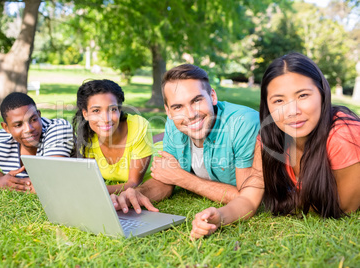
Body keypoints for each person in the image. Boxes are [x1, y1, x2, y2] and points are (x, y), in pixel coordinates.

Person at [190, 52, 360, 239]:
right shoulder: (269, 137)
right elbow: (249, 197)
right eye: (279, 100)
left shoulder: (344, 134)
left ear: (322, 93)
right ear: (267, 106)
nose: (292, 111)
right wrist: (220, 216)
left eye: (302, 95)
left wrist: (291, 201)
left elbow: (344, 207)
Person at [111, 64, 260, 214]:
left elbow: (247, 197)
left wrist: (183, 179)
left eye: (196, 101)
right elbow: (166, 179)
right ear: (168, 111)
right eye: (178, 107)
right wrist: (138, 193)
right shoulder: (174, 123)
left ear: (212, 96)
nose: (189, 114)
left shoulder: (243, 123)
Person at [0, 92, 74, 192]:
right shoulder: (2, 141)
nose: (29, 129)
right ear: (6, 128)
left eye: (33, 120)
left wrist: (10, 181)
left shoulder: (58, 129)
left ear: (39, 115)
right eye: (18, 125)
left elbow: (53, 183)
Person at [72, 79, 154, 194]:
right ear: (85, 114)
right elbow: (91, 179)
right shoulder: (87, 135)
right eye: (96, 111)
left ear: (119, 110)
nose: (106, 119)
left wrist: (94, 190)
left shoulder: (138, 127)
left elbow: (134, 183)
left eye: (113, 109)